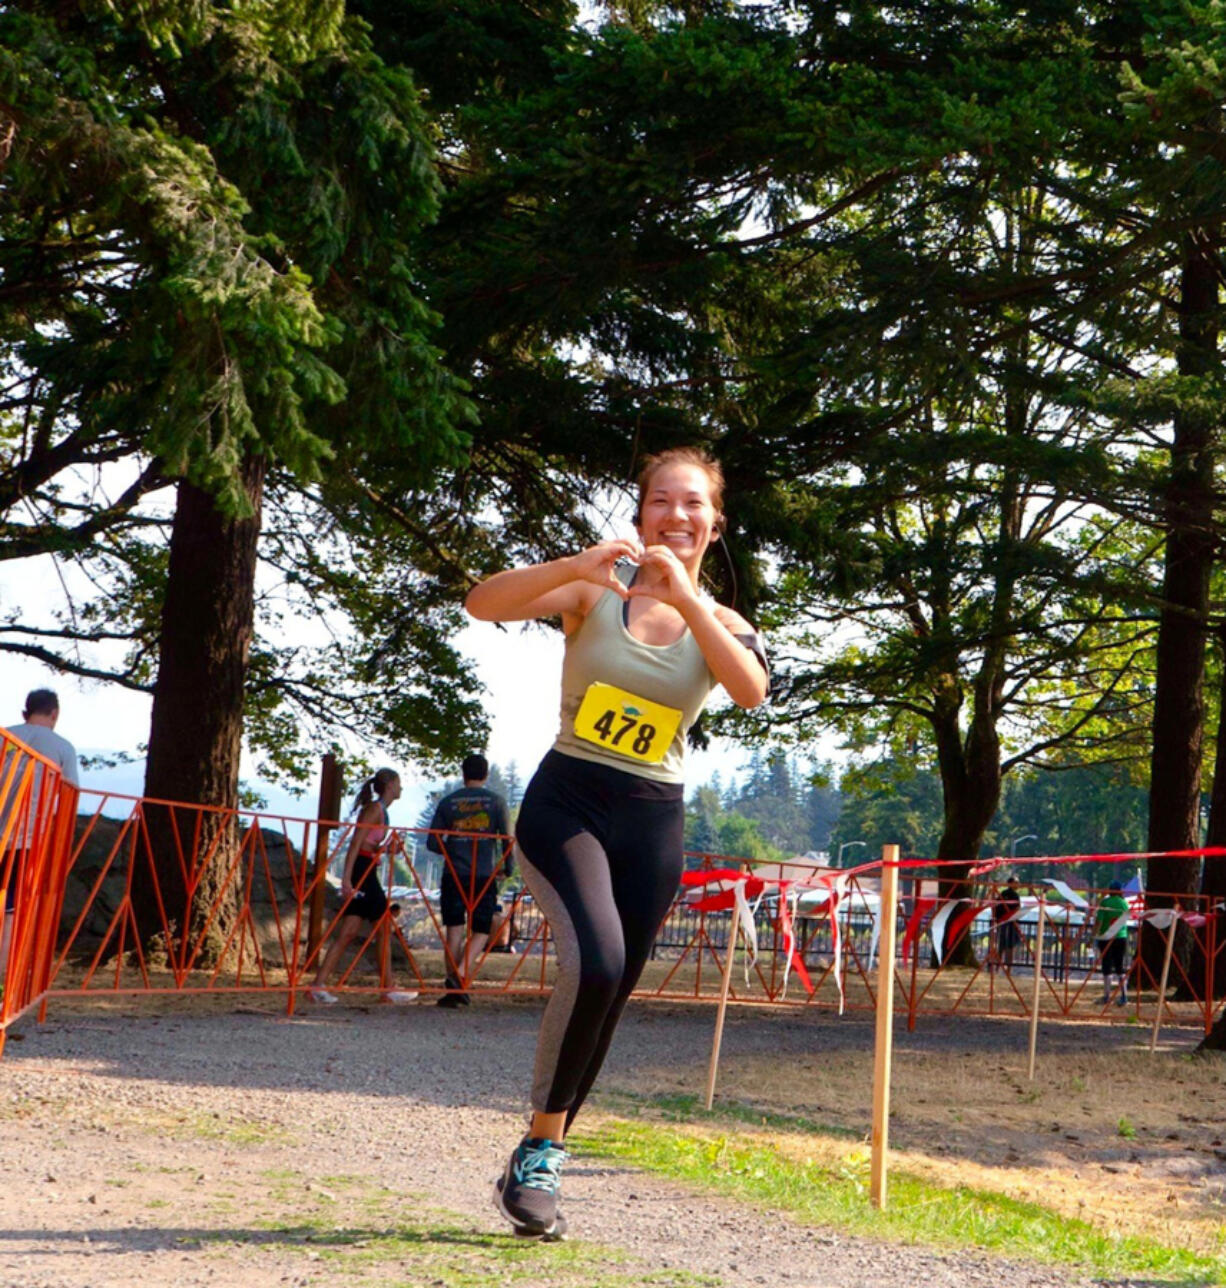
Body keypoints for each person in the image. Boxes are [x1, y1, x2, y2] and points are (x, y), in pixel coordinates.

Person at [465, 446, 768, 1240]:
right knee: (593, 962)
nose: (677, 515)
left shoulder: (724, 626)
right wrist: (577, 563)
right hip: (568, 802)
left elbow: (750, 690)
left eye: (694, 504)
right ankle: (540, 1148)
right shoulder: (593, 592)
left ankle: (541, 1157)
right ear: (640, 516)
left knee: (612, 992)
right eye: (662, 501)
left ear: (715, 522)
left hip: (652, 821)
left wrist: (691, 599)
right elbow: (481, 603)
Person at [308, 768, 414, 1004]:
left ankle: (318, 984)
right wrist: (346, 879)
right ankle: (387, 987)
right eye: (398, 783)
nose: (401, 788)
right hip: (361, 871)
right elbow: (355, 842)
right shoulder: (374, 810)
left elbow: (367, 844)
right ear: (389, 786)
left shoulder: (380, 811)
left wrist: (386, 850)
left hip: (366, 867)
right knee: (384, 927)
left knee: (349, 932)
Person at [1, 689, 79, 977]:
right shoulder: (62, 748)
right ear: (55, 714)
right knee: (12, 913)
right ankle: (4, 985)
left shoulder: (5, 736)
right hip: (29, 839)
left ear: (26, 712)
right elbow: (70, 796)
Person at [426, 753, 512, 1007]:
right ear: (485, 775)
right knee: (482, 929)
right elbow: (506, 839)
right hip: (483, 874)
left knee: (454, 929)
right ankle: (461, 974)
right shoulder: (496, 803)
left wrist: (451, 851)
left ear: (463, 774)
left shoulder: (448, 803)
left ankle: (453, 986)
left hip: (453, 873)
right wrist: (507, 867)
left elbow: (432, 841)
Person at [1094, 879, 1131, 1006]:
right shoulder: (1124, 904)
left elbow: (1098, 921)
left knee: (1107, 966)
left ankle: (1107, 996)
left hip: (1106, 937)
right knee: (1120, 967)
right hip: (1121, 937)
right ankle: (1124, 996)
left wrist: (1093, 936)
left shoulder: (1105, 902)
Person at [991, 873, 1021, 972]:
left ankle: (999, 967)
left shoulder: (1004, 894)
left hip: (1005, 922)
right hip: (1009, 922)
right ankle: (1005, 967)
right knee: (1008, 946)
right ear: (1011, 883)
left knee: (1003, 945)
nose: (1018, 885)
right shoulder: (1011, 895)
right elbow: (1016, 908)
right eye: (1016, 883)